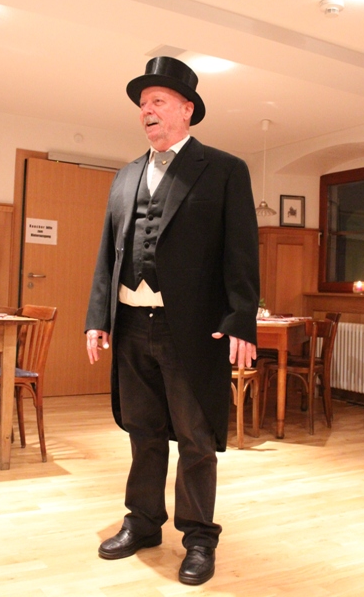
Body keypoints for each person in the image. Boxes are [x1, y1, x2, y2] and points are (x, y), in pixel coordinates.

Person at [85, 56, 259, 586]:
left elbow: (241, 251)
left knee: (195, 438)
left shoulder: (224, 169)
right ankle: (142, 522)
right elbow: (109, 252)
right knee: (143, 432)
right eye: (143, 104)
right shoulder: (125, 175)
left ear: (187, 109)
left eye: (158, 101)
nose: (147, 110)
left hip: (193, 330)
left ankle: (200, 537)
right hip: (131, 325)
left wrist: (241, 319)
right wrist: (98, 316)